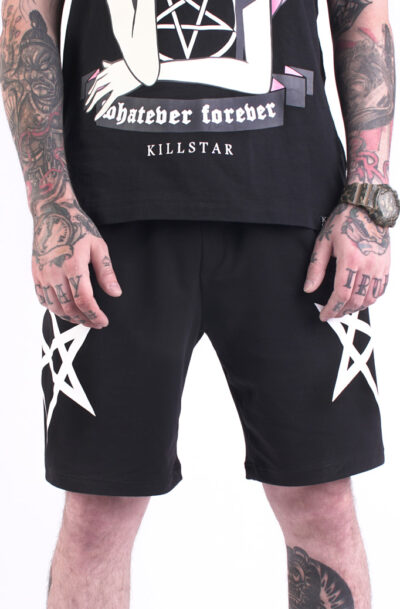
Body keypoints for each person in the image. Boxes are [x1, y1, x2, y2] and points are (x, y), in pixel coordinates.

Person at [0, 0, 397, 607]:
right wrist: (51, 205)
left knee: (322, 503)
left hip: (296, 220)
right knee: (97, 510)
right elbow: (26, 13)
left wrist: (368, 198)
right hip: (111, 224)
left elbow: (360, 13)